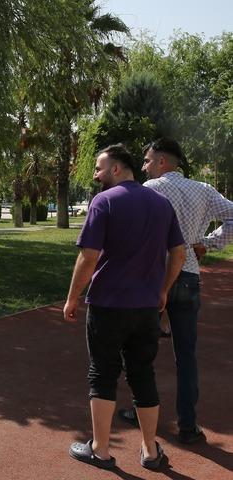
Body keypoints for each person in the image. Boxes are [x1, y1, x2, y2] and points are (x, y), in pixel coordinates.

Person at [64, 144, 185, 471]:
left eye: (99, 168)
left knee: (102, 373)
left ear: (117, 169)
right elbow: (179, 253)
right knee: (143, 374)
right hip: (146, 307)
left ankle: (100, 450)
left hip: (107, 305)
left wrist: (72, 297)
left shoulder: (104, 201)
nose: (95, 174)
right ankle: (149, 451)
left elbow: (88, 257)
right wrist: (163, 291)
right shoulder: (161, 204)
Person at [115, 138, 233, 444]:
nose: (144, 166)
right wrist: (209, 243)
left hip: (155, 280)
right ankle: (188, 425)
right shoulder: (204, 190)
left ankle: (142, 411)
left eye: (147, 160)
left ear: (162, 162)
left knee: (142, 351)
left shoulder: (151, 189)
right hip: (189, 276)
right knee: (187, 355)